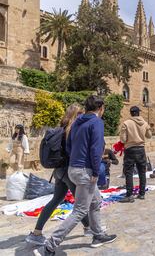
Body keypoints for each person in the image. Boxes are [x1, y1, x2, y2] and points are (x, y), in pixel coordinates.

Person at [34, 96, 117, 256]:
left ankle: (98, 235)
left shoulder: (78, 121)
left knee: (96, 201)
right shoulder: (97, 122)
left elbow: (70, 144)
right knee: (79, 210)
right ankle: (50, 246)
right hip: (85, 170)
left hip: (73, 168)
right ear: (100, 108)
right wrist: (94, 171)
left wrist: (76, 160)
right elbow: (96, 149)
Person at [26, 104, 94, 245]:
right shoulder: (72, 130)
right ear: (76, 114)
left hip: (59, 171)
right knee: (81, 204)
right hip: (68, 170)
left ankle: (36, 233)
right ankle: (89, 228)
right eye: (81, 113)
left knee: (57, 199)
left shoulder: (61, 129)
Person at [119, 106, 152, 203]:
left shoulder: (126, 123)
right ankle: (142, 194)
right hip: (141, 149)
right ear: (138, 113)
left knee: (129, 172)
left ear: (131, 113)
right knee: (142, 172)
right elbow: (149, 136)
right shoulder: (144, 123)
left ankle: (129, 195)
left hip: (130, 150)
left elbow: (123, 139)